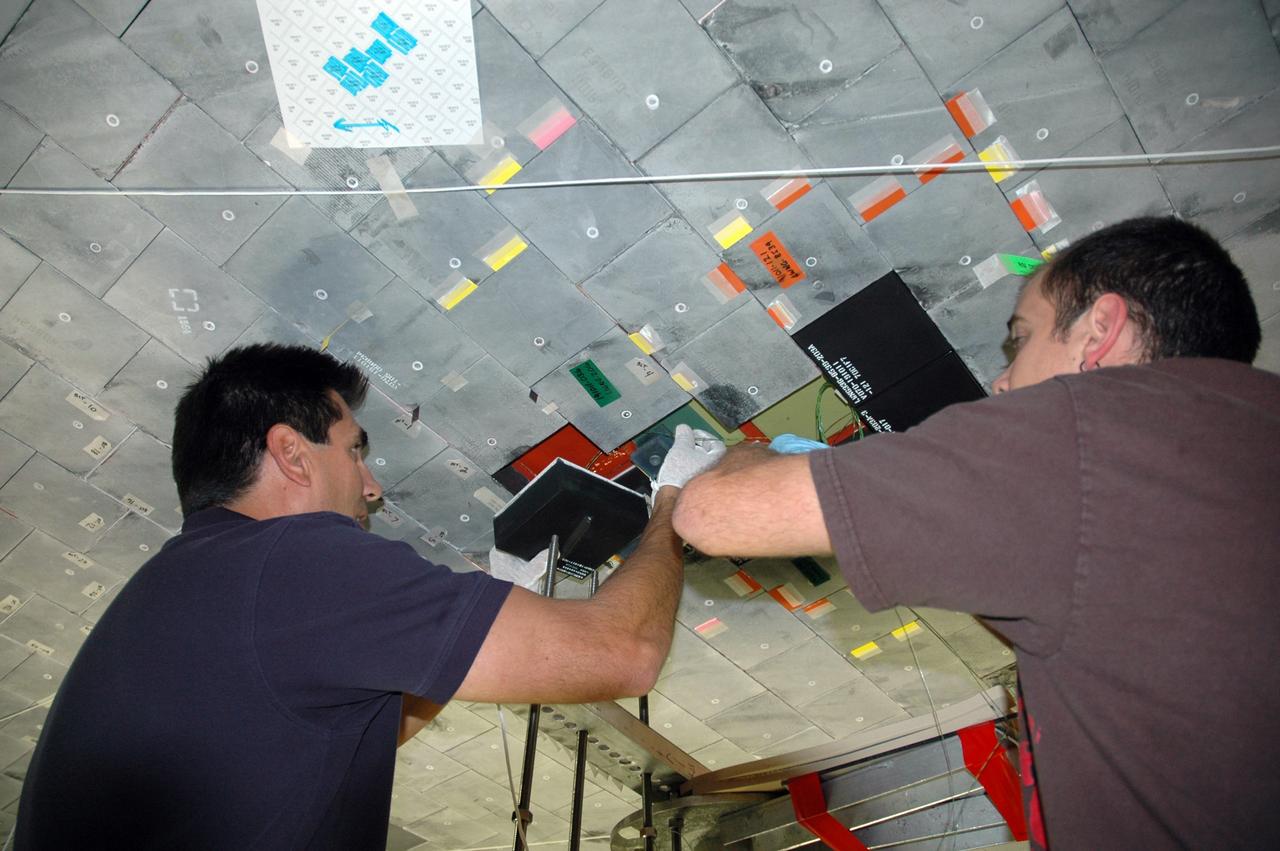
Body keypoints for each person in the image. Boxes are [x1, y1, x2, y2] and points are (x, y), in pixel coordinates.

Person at [671, 217, 1280, 849]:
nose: (1003, 380)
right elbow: (1071, 612)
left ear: (1100, 330)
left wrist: (749, 455)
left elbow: (712, 514)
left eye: (1021, 340)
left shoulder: (1081, 436)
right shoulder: (1235, 456)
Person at [14, 344, 725, 850]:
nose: (374, 484)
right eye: (356, 449)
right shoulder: (293, 563)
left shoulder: (184, 589)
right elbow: (623, 652)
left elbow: (346, 729)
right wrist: (672, 507)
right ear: (292, 453)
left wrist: (486, 621)